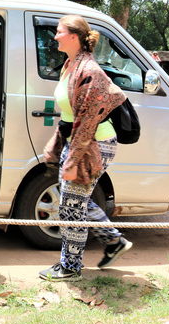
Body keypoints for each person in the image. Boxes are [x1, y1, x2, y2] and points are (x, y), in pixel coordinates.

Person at [39, 15, 132, 281]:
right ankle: (113, 242)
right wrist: (56, 145)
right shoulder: (69, 65)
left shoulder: (89, 71)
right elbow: (69, 117)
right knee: (75, 200)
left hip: (94, 144)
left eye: (59, 31)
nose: (55, 36)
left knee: (70, 205)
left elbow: (87, 122)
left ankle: (70, 268)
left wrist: (71, 161)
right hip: (80, 142)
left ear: (73, 36)